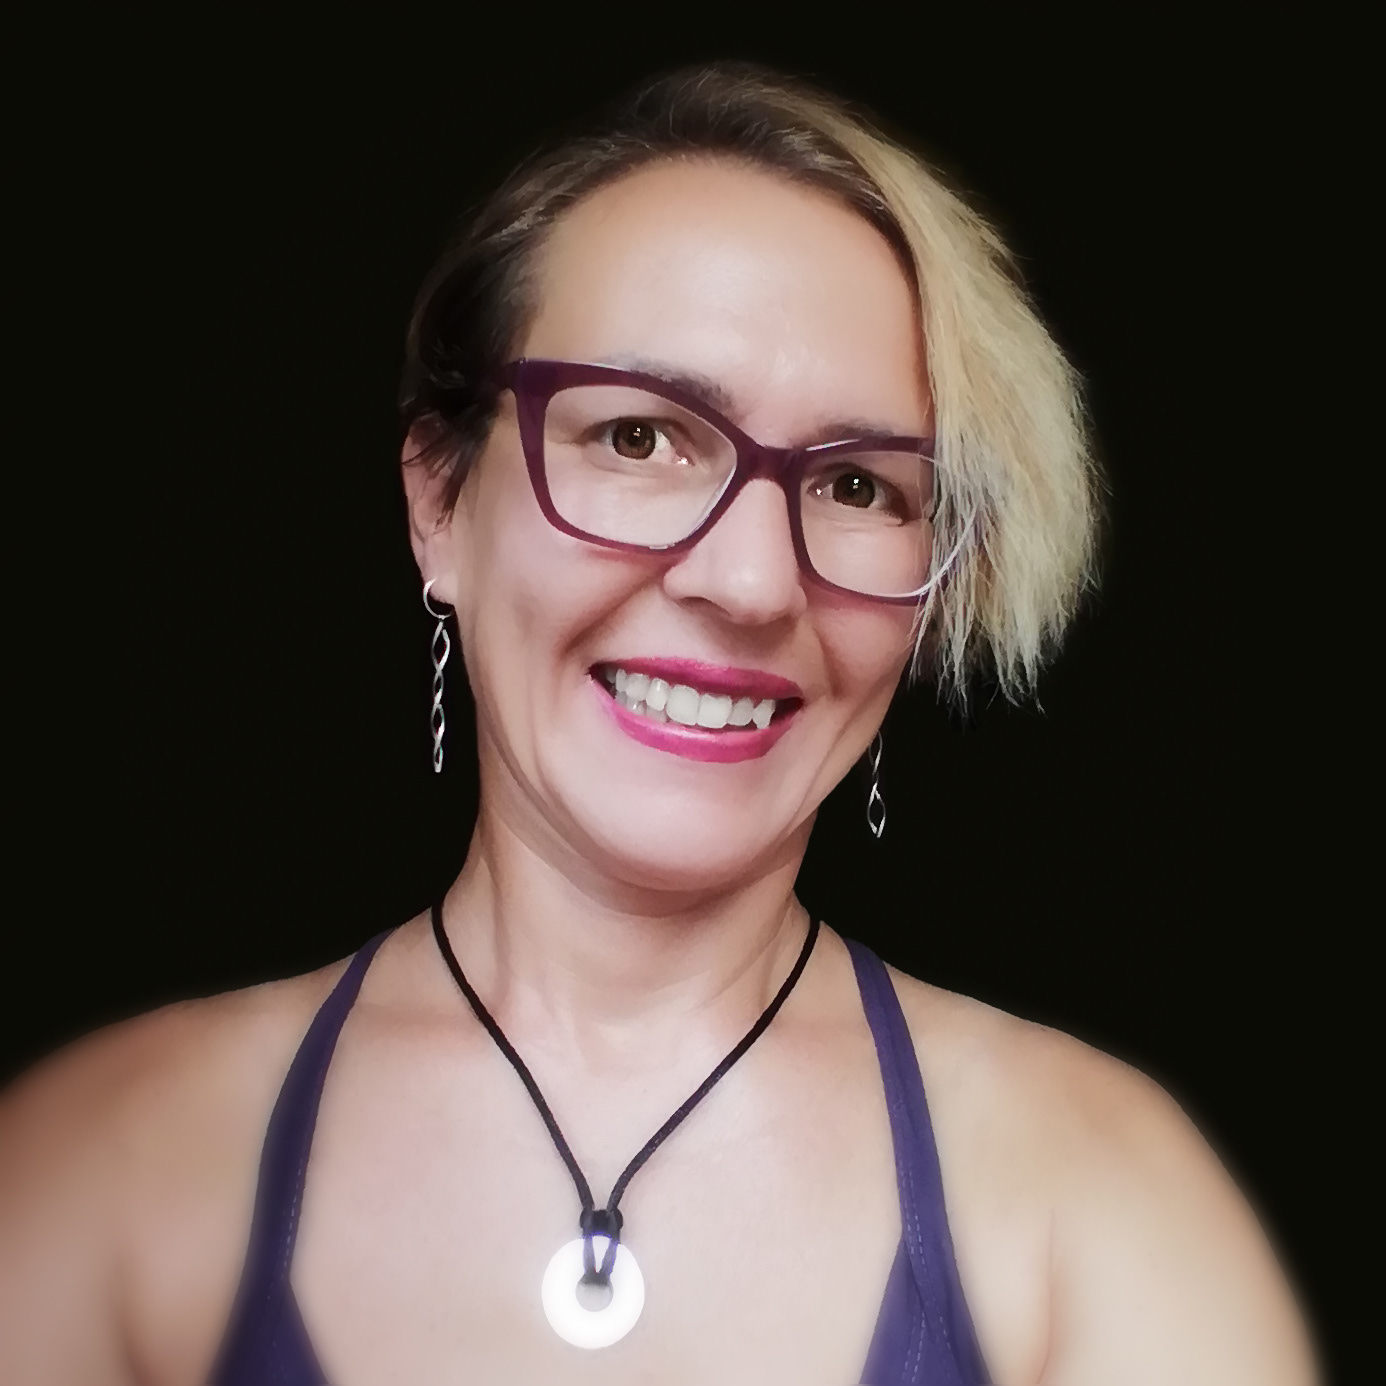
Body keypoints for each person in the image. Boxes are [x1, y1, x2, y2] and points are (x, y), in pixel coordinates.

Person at [0, 63, 1316, 1385]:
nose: (750, 582)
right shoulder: (100, 1171)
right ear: (438, 503)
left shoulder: (1103, 1204)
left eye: (859, 484)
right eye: (639, 438)